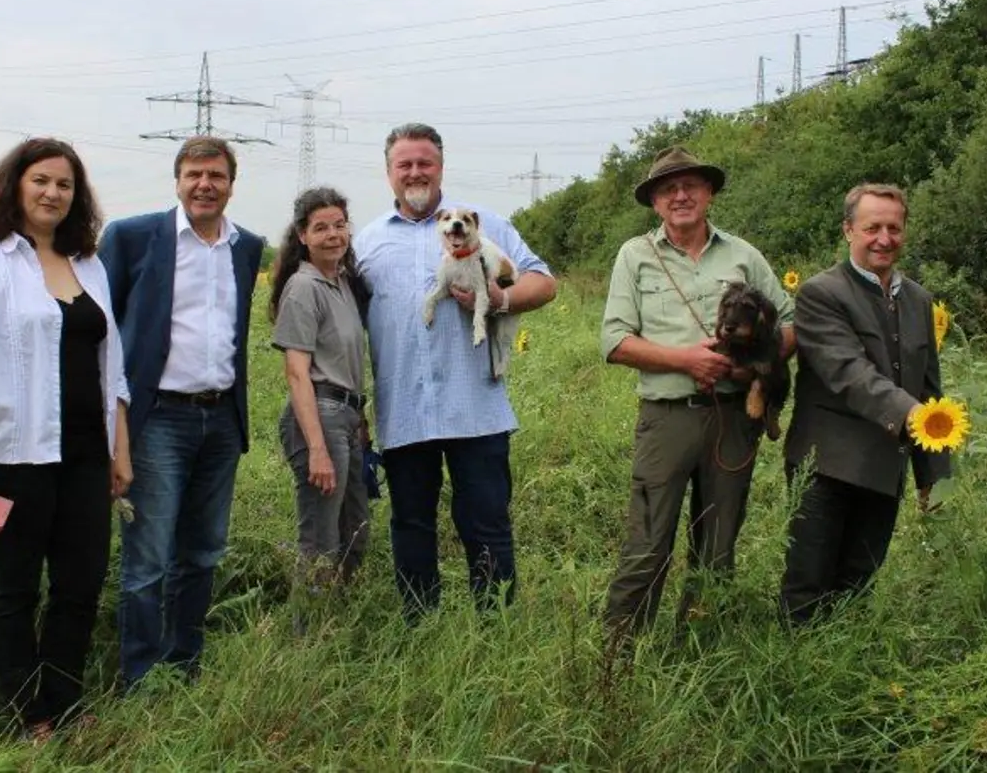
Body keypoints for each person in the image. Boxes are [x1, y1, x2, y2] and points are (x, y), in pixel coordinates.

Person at [0, 136, 133, 743]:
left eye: (65, 185)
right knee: (14, 588)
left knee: (79, 585)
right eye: (41, 180)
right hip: (10, 458)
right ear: (15, 185)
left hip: (82, 458)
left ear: (78, 197)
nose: (53, 193)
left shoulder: (89, 264)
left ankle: (66, 701)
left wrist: (118, 452)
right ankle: (29, 712)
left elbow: (112, 370)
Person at [353, 122, 558, 621]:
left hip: (477, 406)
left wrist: (502, 299)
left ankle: (495, 625)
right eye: (405, 164)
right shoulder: (367, 242)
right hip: (404, 409)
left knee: (486, 522)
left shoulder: (484, 222)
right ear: (388, 173)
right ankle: (420, 625)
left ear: (441, 167)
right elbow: (345, 329)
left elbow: (544, 281)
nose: (415, 172)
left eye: (425, 162)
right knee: (411, 524)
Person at [598, 146, 795, 639]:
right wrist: (688, 360)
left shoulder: (743, 255)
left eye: (690, 186)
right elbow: (616, 341)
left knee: (718, 543)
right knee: (647, 541)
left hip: (734, 417)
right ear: (655, 202)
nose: (680, 195)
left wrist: (750, 365)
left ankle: (699, 652)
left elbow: (790, 323)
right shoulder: (635, 256)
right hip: (668, 418)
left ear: (708, 193)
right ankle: (618, 654)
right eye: (668, 188)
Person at [99, 135, 265, 688]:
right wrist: (112, 423)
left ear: (231, 185)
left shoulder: (246, 247)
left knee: (203, 552)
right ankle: (141, 678)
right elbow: (102, 335)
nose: (204, 185)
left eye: (216, 175)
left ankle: (184, 664)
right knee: (147, 558)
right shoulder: (132, 238)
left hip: (220, 419)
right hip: (158, 420)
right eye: (194, 174)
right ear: (177, 181)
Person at [778, 183, 951, 625]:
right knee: (807, 586)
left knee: (857, 588)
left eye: (894, 228)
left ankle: (845, 676)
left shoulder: (918, 300)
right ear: (849, 230)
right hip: (826, 467)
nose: (884, 238)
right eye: (872, 227)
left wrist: (932, 474)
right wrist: (914, 415)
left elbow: (930, 387)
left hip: (884, 468)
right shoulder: (820, 294)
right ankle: (797, 676)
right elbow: (849, 374)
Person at [268, 187, 373, 603]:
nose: (333, 235)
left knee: (356, 532)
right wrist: (316, 449)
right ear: (302, 235)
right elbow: (296, 373)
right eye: (321, 228)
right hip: (319, 417)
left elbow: (350, 360)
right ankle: (306, 636)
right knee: (320, 541)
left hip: (347, 417)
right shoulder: (303, 287)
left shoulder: (343, 283)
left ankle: (336, 623)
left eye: (340, 225)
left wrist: (360, 421)